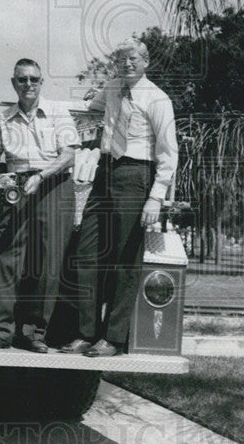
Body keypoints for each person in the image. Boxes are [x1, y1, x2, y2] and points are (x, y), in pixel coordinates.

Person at [60, 39, 178, 357]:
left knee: (125, 261)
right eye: (122, 59)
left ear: (146, 62)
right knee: (86, 251)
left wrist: (155, 197)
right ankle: (85, 333)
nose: (127, 64)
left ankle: (113, 338)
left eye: (134, 58)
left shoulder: (157, 99)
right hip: (106, 172)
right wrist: (58, 108)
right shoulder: (112, 87)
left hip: (136, 175)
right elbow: (91, 109)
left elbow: (169, 152)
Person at [0, 59, 80, 352]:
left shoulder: (58, 112)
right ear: (14, 83)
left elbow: (70, 154)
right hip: (17, 188)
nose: (28, 85)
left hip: (54, 184)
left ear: (41, 83)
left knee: (48, 262)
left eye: (34, 79)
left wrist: (42, 175)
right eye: (22, 80)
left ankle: (34, 333)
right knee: (8, 259)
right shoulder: (2, 118)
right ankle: (1, 332)